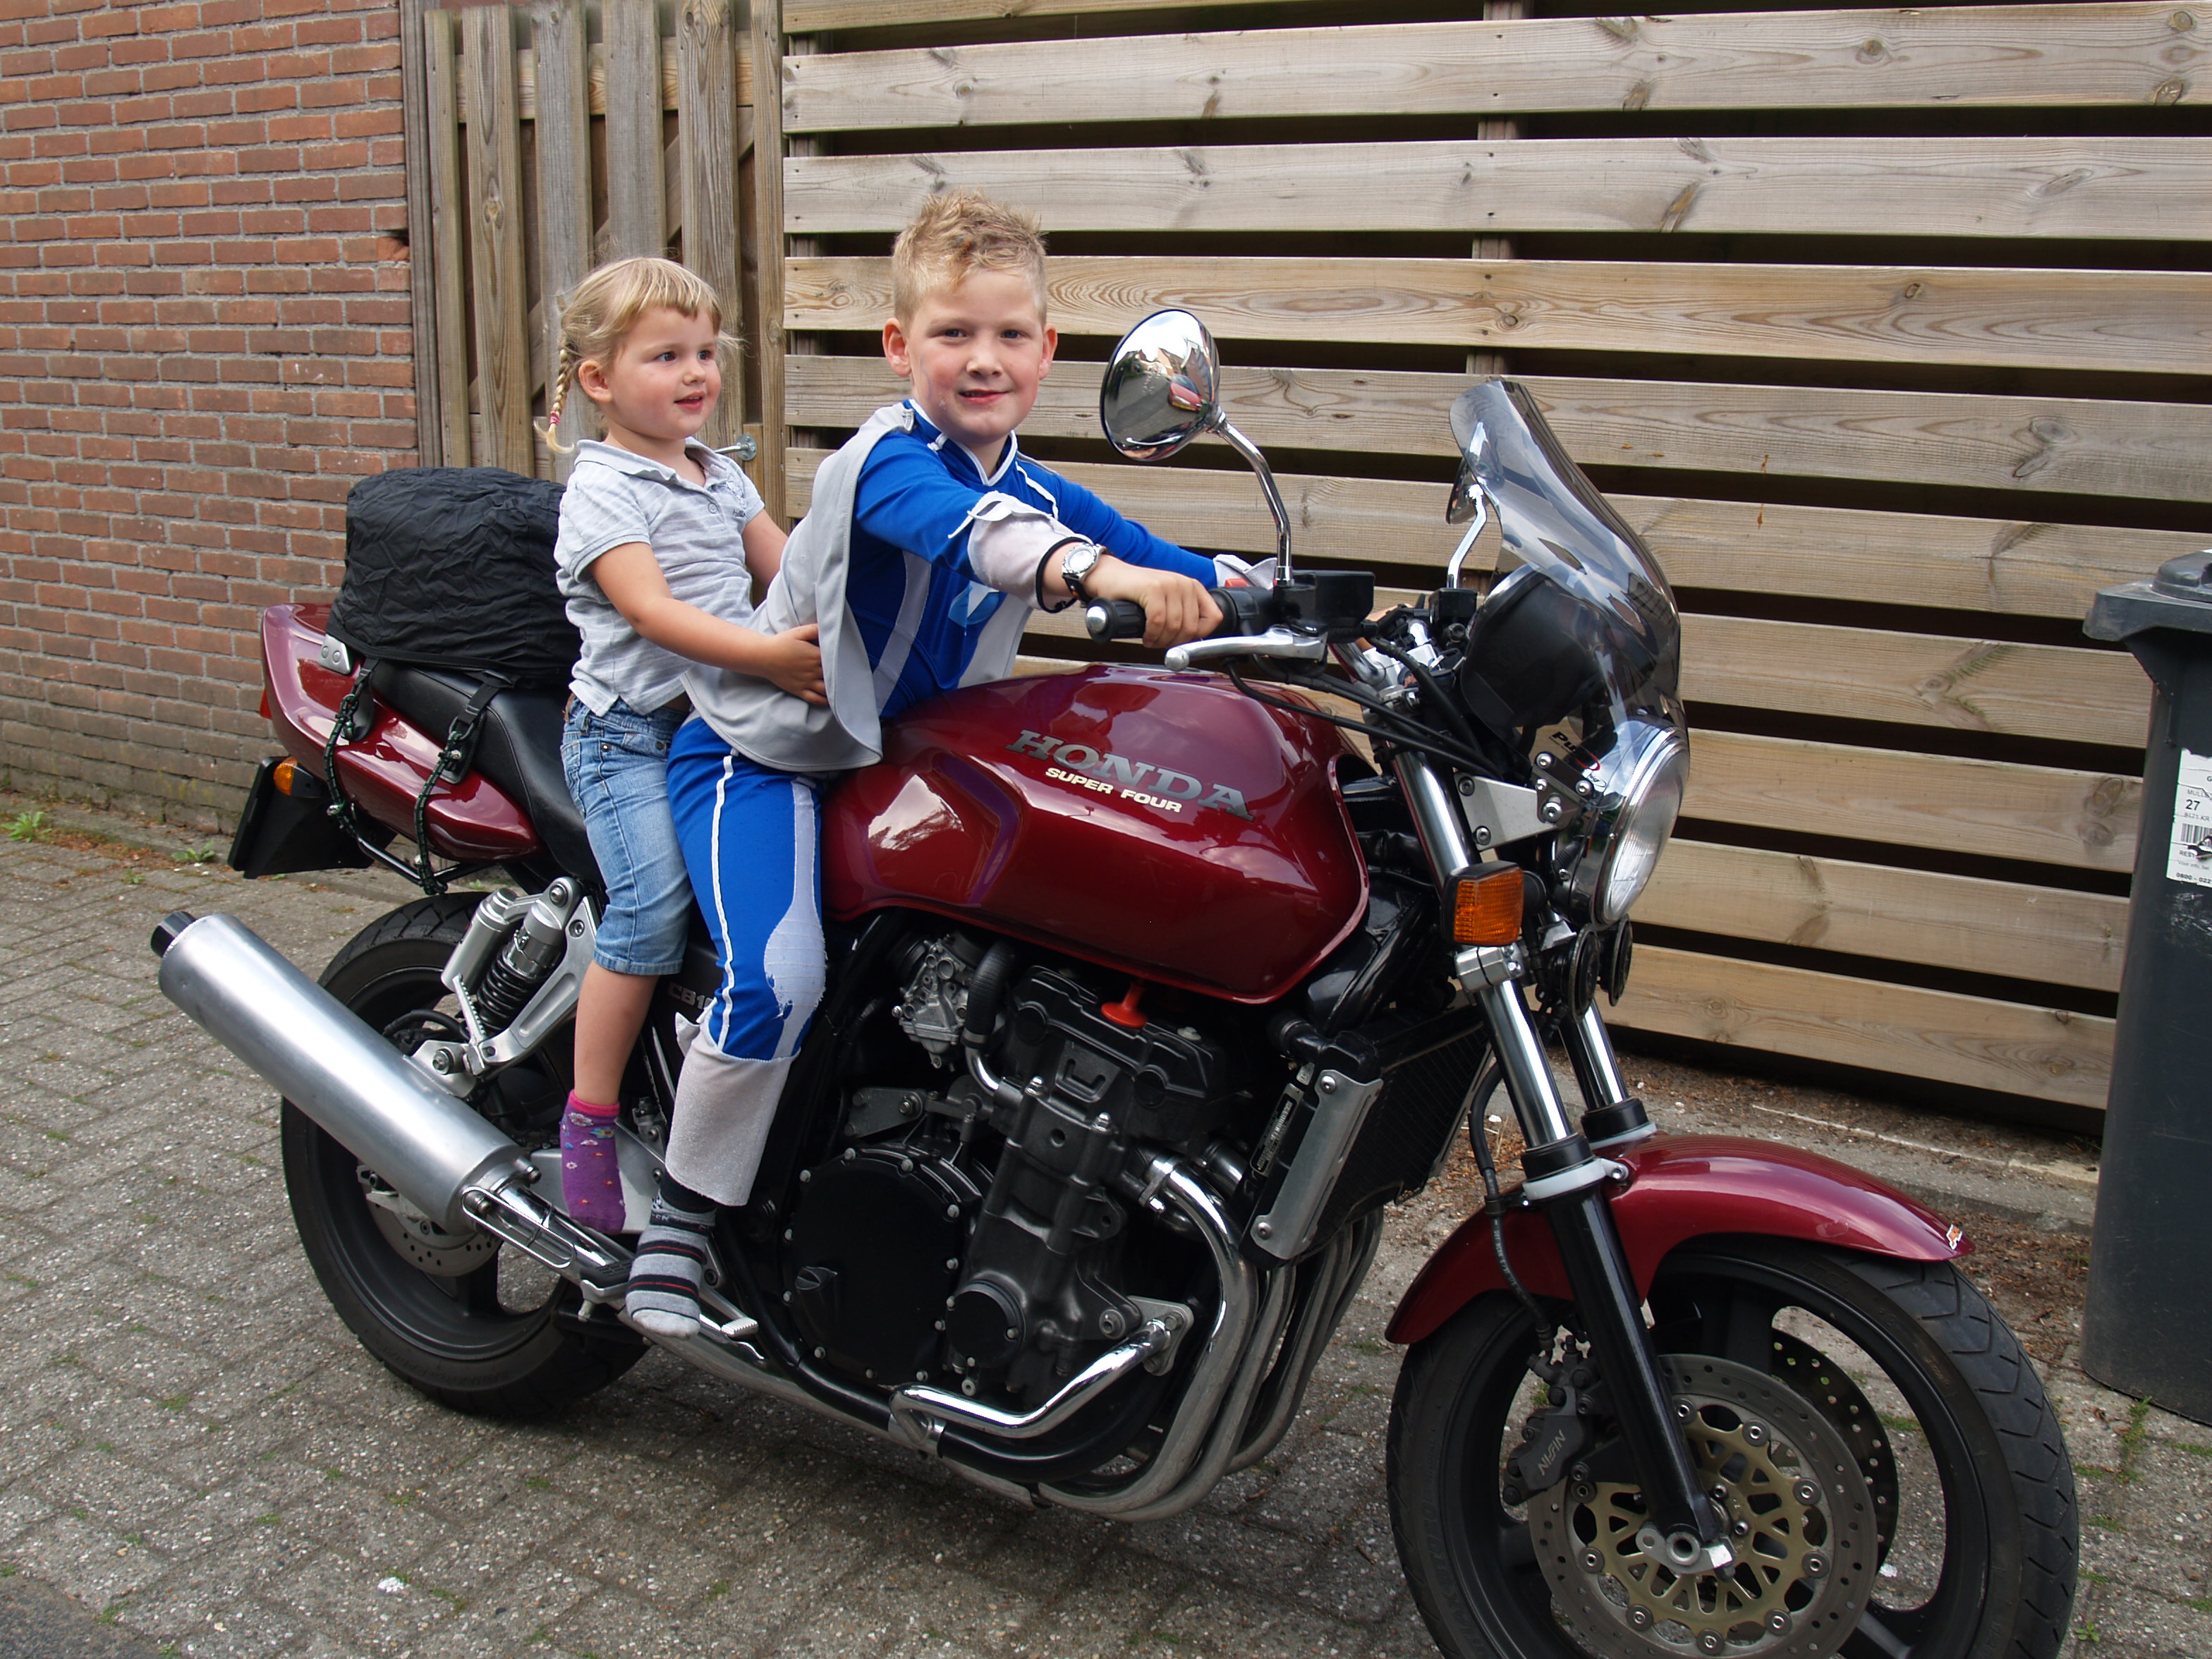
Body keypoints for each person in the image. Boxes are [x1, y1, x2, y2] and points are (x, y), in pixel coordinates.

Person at [624, 190, 1260, 1336]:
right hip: (761, 760)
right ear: (898, 345)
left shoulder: (1038, 485)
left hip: (891, 771)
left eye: (1009, 334)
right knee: (780, 977)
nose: (983, 359)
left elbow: (1154, 552)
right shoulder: (886, 463)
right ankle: (681, 1216)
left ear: (1048, 352)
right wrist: (1097, 578)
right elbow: (987, 540)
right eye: (953, 332)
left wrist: (1297, 602)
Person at [539, 255, 825, 1232]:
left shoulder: (720, 472)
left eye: (705, 351)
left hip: (725, 720)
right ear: (599, 380)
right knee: (653, 908)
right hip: (627, 736)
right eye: (666, 356)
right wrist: (770, 657)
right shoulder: (603, 489)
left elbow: (790, 569)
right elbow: (651, 613)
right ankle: (588, 1116)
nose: (696, 371)